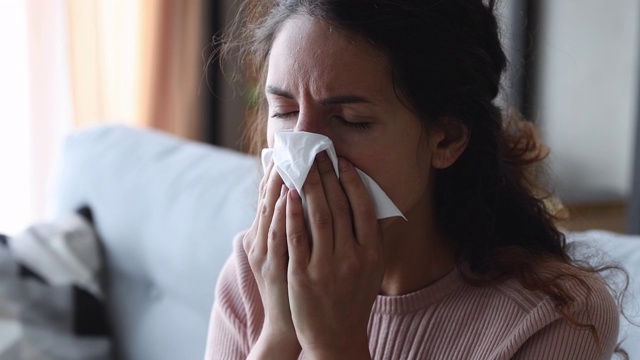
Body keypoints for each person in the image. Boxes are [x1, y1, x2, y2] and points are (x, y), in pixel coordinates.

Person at [205, 0, 623, 359]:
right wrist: (279, 335)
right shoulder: (255, 269)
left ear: (447, 138)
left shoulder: (555, 316)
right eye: (284, 111)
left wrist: (335, 345)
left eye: (352, 120)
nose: (304, 151)